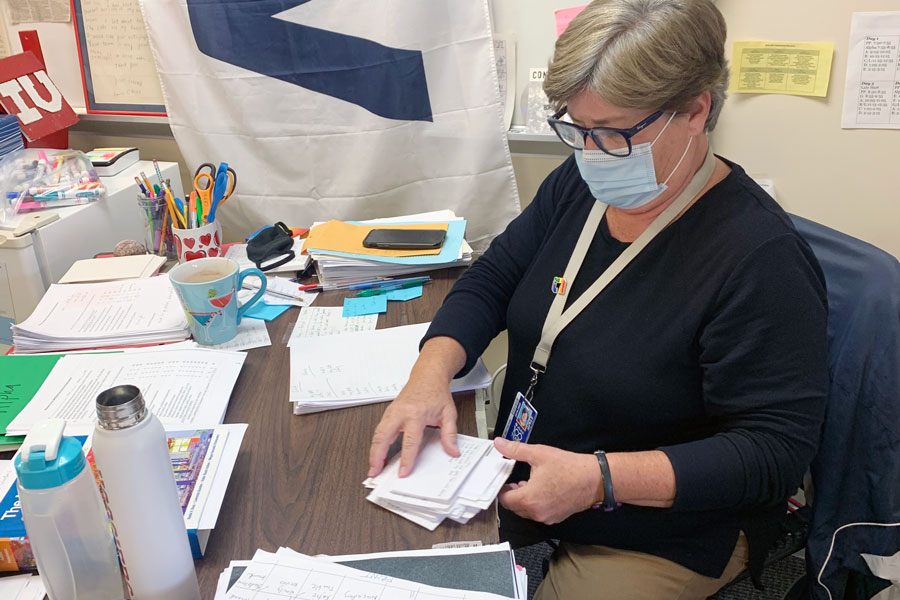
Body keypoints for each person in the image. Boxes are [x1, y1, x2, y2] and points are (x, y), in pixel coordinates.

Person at [368, 0, 828, 598]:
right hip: (540, 475)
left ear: (695, 110)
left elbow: (772, 453)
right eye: (577, 129)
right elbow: (495, 275)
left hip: (666, 522)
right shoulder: (582, 182)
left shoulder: (760, 259)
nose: (590, 152)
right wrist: (431, 371)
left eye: (613, 133)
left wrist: (599, 479)